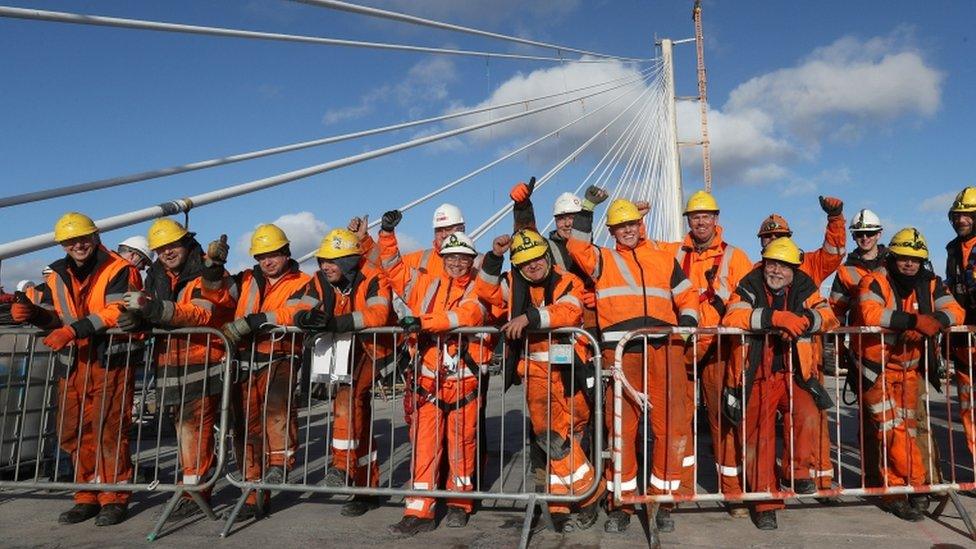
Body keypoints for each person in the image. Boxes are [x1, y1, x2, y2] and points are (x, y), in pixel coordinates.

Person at [566, 198, 699, 533]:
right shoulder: (602, 259)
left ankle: (661, 500)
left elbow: (687, 294)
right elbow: (577, 245)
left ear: (641, 226)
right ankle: (621, 503)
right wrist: (587, 209)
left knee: (668, 428)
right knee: (621, 431)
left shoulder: (663, 258)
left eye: (632, 225)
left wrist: (686, 320)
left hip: (663, 350)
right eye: (621, 226)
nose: (628, 230)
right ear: (611, 231)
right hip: (622, 355)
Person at [10, 212, 142, 526]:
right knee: (73, 430)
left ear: (95, 237)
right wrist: (33, 314)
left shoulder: (120, 269)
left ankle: (113, 496)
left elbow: (116, 310)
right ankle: (86, 495)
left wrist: (74, 331)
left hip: (110, 361)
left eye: (83, 238)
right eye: (71, 241)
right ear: (63, 245)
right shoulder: (56, 275)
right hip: (74, 364)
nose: (78, 245)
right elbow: (56, 314)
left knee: (109, 431)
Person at [477, 229, 602, 532]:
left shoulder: (568, 280)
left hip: (571, 372)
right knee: (554, 440)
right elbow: (485, 291)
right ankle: (585, 496)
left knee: (570, 438)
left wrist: (529, 318)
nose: (532, 266)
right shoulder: (513, 283)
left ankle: (568, 497)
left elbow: (569, 311)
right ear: (517, 267)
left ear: (546, 255)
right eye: (525, 263)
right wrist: (494, 258)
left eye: (536, 259)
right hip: (537, 374)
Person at [379, 209, 492, 537]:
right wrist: (387, 234)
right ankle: (419, 509)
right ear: (441, 255)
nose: (457, 262)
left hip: (463, 381)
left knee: (462, 443)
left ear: (471, 260)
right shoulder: (422, 281)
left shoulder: (478, 289)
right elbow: (392, 268)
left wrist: (422, 322)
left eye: (463, 257)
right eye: (451, 256)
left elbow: (466, 316)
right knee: (424, 445)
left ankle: (460, 503)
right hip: (428, 378)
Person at [120, 218, 235, 521]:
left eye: (172, 245)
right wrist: (139, 321)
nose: (167, 252)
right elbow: (152, 315)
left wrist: (152, 310)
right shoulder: (156, 276)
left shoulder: (208, 272)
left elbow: (202, 313)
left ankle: (192, 493)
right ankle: (192, 487)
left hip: (203, 359)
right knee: (183, 429)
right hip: (169, 363)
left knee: (193, 430)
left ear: (186, 243)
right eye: (160, 249)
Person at [648, 190, 754, 519]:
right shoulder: (673, 253)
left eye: (706, 216)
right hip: (681, 349)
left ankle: (732, 492)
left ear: (716, 219)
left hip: (719, 350)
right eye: (695, 217)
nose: (701, 221)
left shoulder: (736, 257)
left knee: (724, 422)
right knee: (677, 423)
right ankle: (680, 488)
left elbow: (745, 300)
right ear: (688, 221)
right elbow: (641, 251)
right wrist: (638, 218)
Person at [721, 236, 839, 530]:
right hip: (758, 373)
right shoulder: (749, 283)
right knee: (758, 438)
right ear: (764, 263)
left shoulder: (804, 285)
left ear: (794, 270)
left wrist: (802, 321)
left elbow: (828, 316)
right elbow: (732, 317)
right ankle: (765, 502)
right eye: (772, 264)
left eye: (784, 267)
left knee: (807, 415)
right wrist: (775, 318)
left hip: (794, 372)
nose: (776, 271)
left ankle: (795, 474)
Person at [854, 227, 962, 521]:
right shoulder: (873, 281)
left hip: (911, 371)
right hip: (877, 371)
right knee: (891, 430)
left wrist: (935, 320)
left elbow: (955, 310)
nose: (909, 264)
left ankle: (904, 487)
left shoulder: (931, 284)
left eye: (916, 259)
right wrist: (915, 321)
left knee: (908, 430)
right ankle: (904, 487)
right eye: (903, 258)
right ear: (893, 257)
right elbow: (871, 314)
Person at [293, 228, 395, 517]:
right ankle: (365, 488)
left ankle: (343, 468)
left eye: (333, 260)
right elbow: (300, 307)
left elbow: (378, 315)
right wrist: (305, 317)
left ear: (351, 261)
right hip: (339, 353)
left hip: (369, 350)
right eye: (323, 260)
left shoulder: (373, 277)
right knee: (354, 415)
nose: (326, 265)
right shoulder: (320, 280)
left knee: (348, 403)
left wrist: (337, 323)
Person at [217, 224, 312, 519]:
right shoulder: (246, 278)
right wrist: (213, 265)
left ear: (286, 253)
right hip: (245, 362)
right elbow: (216, 293)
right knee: (245, 429)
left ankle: (277, 468)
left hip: (280, 357)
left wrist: (257, 320)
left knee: (277, 415)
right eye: (261, 256)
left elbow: (297, 313)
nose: (267, 261)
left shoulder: (306, 281)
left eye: (273, 255)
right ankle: (252, 493)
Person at [756, 196, 847, 497]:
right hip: (768, 361)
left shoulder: (808, 263)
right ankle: (775, 479)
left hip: (807, 357)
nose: (773, 239)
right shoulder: (757, 271)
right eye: (768, 236)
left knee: (812, 419)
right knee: (766, 426)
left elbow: (834, 254)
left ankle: (816, 479)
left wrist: (835, 218)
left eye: (778, 235)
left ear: (788, 238)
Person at [945, 186, 976, 458]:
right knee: (968, 406)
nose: (961, 220)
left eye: (967, 215)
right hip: (963, 343)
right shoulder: (953, 251)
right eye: (957, 215)